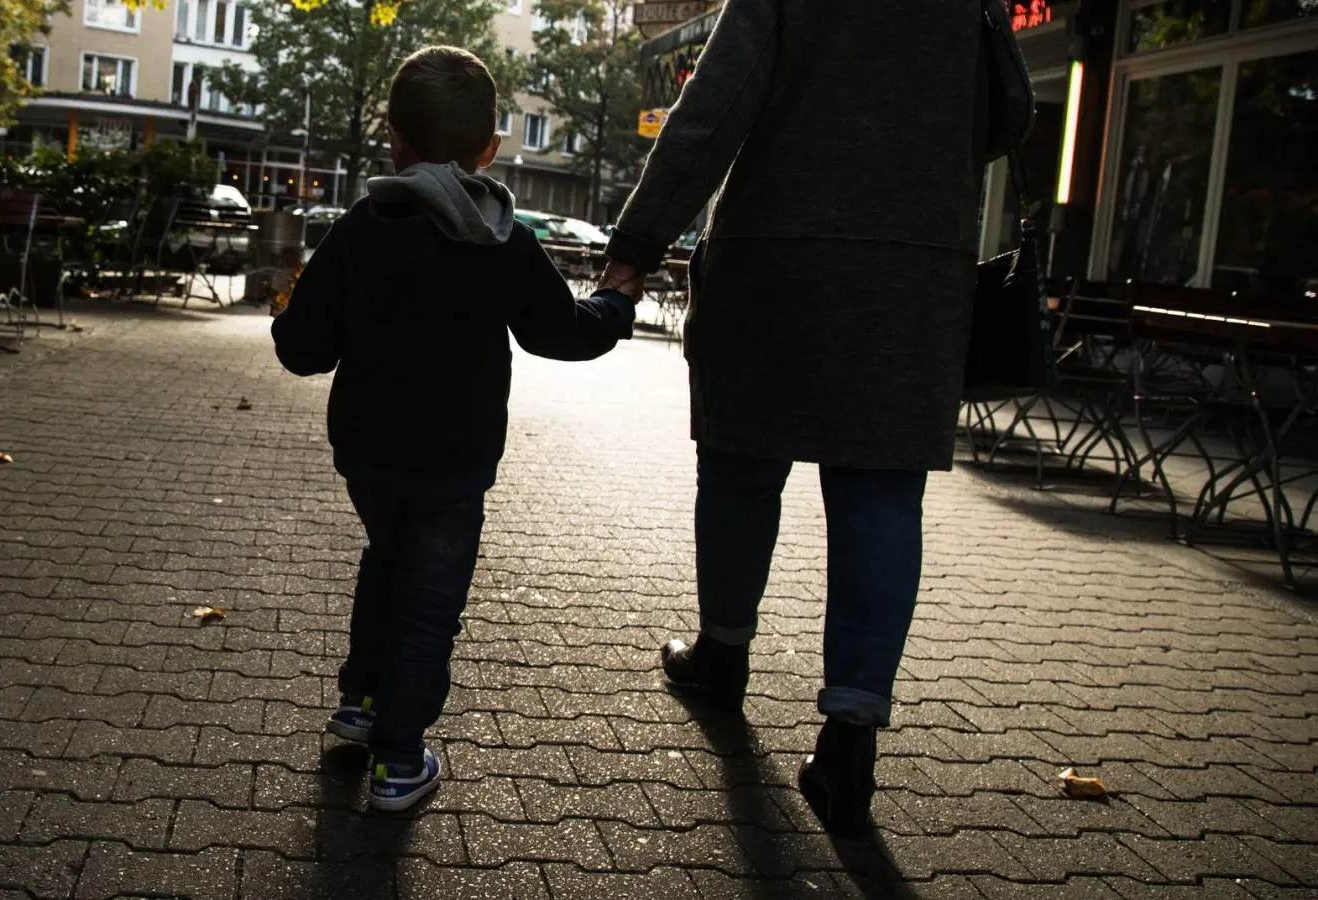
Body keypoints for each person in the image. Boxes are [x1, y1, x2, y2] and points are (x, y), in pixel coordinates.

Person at [599, 1, 1024, 837]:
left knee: (740, 464)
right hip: (915, 275)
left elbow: (715, 106)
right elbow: (1008, 113)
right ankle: (850, 739)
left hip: (779, 260)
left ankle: (723, 652)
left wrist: (637, 245)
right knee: (882, 494)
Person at [272, 46, 638, 813]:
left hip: (367, 455)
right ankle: (400, 760)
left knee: (386, 559)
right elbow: (560, 332)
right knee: (430, 601)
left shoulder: (360, 229)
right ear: (489, 150)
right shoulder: (501, 239)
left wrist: (297, 314)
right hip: (454, 462)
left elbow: (303, 348)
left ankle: (362, 701)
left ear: (392, 139)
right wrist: (614, 304)